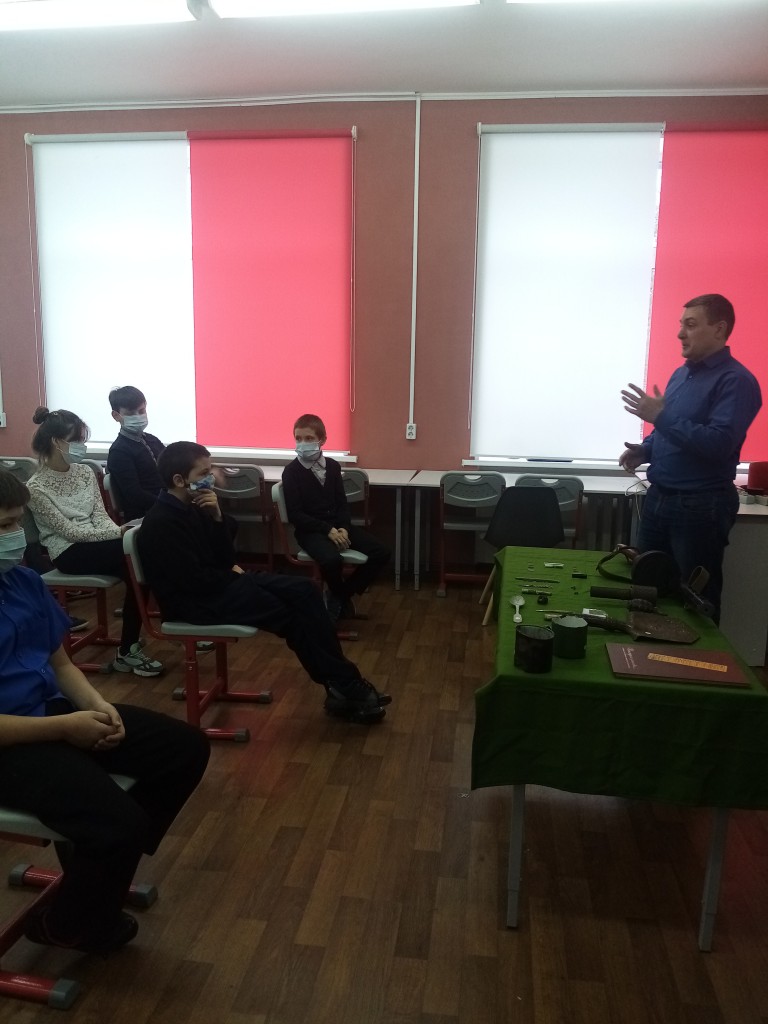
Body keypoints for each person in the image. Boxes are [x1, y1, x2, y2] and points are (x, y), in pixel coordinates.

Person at [0, 468, 210, 954]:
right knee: (118, 823)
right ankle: (66, 926)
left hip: (52, 716)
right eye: (3, 526)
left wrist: (98, 706)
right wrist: (66, 727)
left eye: (15, 524)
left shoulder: (23, 580)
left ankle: (99, 871)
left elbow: (59, 663)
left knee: (184, 749)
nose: (14, 537)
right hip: (13, 744)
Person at [137, 441, 390, 724]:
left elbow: (224, 557)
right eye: (204, 473)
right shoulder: (162, 522)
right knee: (290, 615)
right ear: (179, 480)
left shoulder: (194, 507)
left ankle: (342, 684)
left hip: (219, 585)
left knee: (306, 590)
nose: (211, 478)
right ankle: (344, 685)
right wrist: (234, 574)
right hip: (195, 603)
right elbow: (192, 581)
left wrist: (217, 517)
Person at [619, 293, 762, 621]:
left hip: (699, 507)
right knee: (647, 587)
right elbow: (670, 430)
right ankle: (648, 649)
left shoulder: (737, 381)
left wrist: (660, 416)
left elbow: (718, 444)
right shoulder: (681, 376)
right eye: (681, 324)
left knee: (695, 600)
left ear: (719, 329)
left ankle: (700, 655)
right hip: (658, 498)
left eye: (691, 325)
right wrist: (646, 449)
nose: (680, 333)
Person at [26, 407, 163, 676]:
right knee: (138, 556)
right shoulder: (36, 487)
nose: (81, 445)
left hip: (99, 543)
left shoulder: (85, 472)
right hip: (68, 552)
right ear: (56, 442)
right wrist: (120, 535)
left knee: (139, 561)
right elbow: (70, 533)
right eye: (76, 440)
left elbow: (100, 516)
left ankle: (130, 646)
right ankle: (140, 642)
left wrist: (119, 533)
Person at [282, 414, 390, 621]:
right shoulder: (291, 472)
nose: (302, 444)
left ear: (322, 440)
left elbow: (341, 504)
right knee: (332, 560)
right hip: (310, 531)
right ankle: (340, 597)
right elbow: (296, 515)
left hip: (337, 526)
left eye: (308, 438)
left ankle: (340, 595)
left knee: (381, 553)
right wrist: (327, 530)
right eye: (298, 438)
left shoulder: (332, 467)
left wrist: (344, 528)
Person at [106, 385, 164, 522]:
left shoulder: (152, 439)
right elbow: (135, 495)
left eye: (142, 411)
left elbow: (171, 468)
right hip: (145, 515)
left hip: (165, 504)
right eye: (131, 413)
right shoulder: (119, 451)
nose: (138, 416)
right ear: (116, 416)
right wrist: (170, 504)